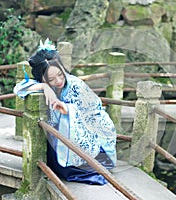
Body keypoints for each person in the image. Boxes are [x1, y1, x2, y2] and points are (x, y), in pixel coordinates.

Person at [14, 39, 116, 185]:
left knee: (66, 155)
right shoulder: (44, 84)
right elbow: (18, 88)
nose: (58, 80)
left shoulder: (76, 85)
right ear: (41, 77)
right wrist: (44, 87)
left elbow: (92, 111)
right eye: (51, 79)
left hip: (91, 130)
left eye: (60, 75)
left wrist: (68, 109)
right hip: (62, 134)